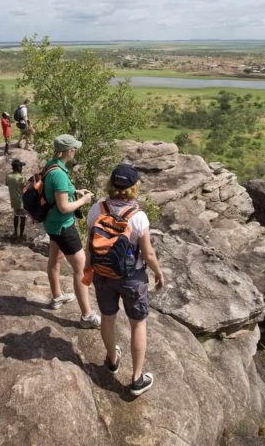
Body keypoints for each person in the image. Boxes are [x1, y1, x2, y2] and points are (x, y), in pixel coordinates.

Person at [86, 163, 164, 396]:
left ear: (111, 185)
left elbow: (90, 244)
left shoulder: (96, 209)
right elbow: (148, 253)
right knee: (137, 324)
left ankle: (112, 360)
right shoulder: (138, 216)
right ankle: (137, 379)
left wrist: (89, 269)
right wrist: (158, 272)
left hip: (103, 274)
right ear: (133, 187)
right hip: (132, 277)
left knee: (108, 319)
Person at [42, 134, 100, 329]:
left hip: (52, 224)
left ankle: (57, 297)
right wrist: (83, 201)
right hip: (63, 226)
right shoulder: (58, 173)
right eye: (74, 148)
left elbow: (57, 194)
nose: (75, 150)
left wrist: (76, 192)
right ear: (68, 151)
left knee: (55, 260)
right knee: (81, 269)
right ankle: (87, 316)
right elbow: (64, 207)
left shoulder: (52, 164)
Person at [6, 159, 27, 240]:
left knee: (15, 216)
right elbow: (25, 189)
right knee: (23, 218)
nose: (22, 168)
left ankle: (15, 232)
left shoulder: (8, 176)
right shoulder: (21, 178)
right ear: (18, 168)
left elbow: (7, 184)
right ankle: (21, 235)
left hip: (13, 201)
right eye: (21, 166)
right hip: (21, 201)